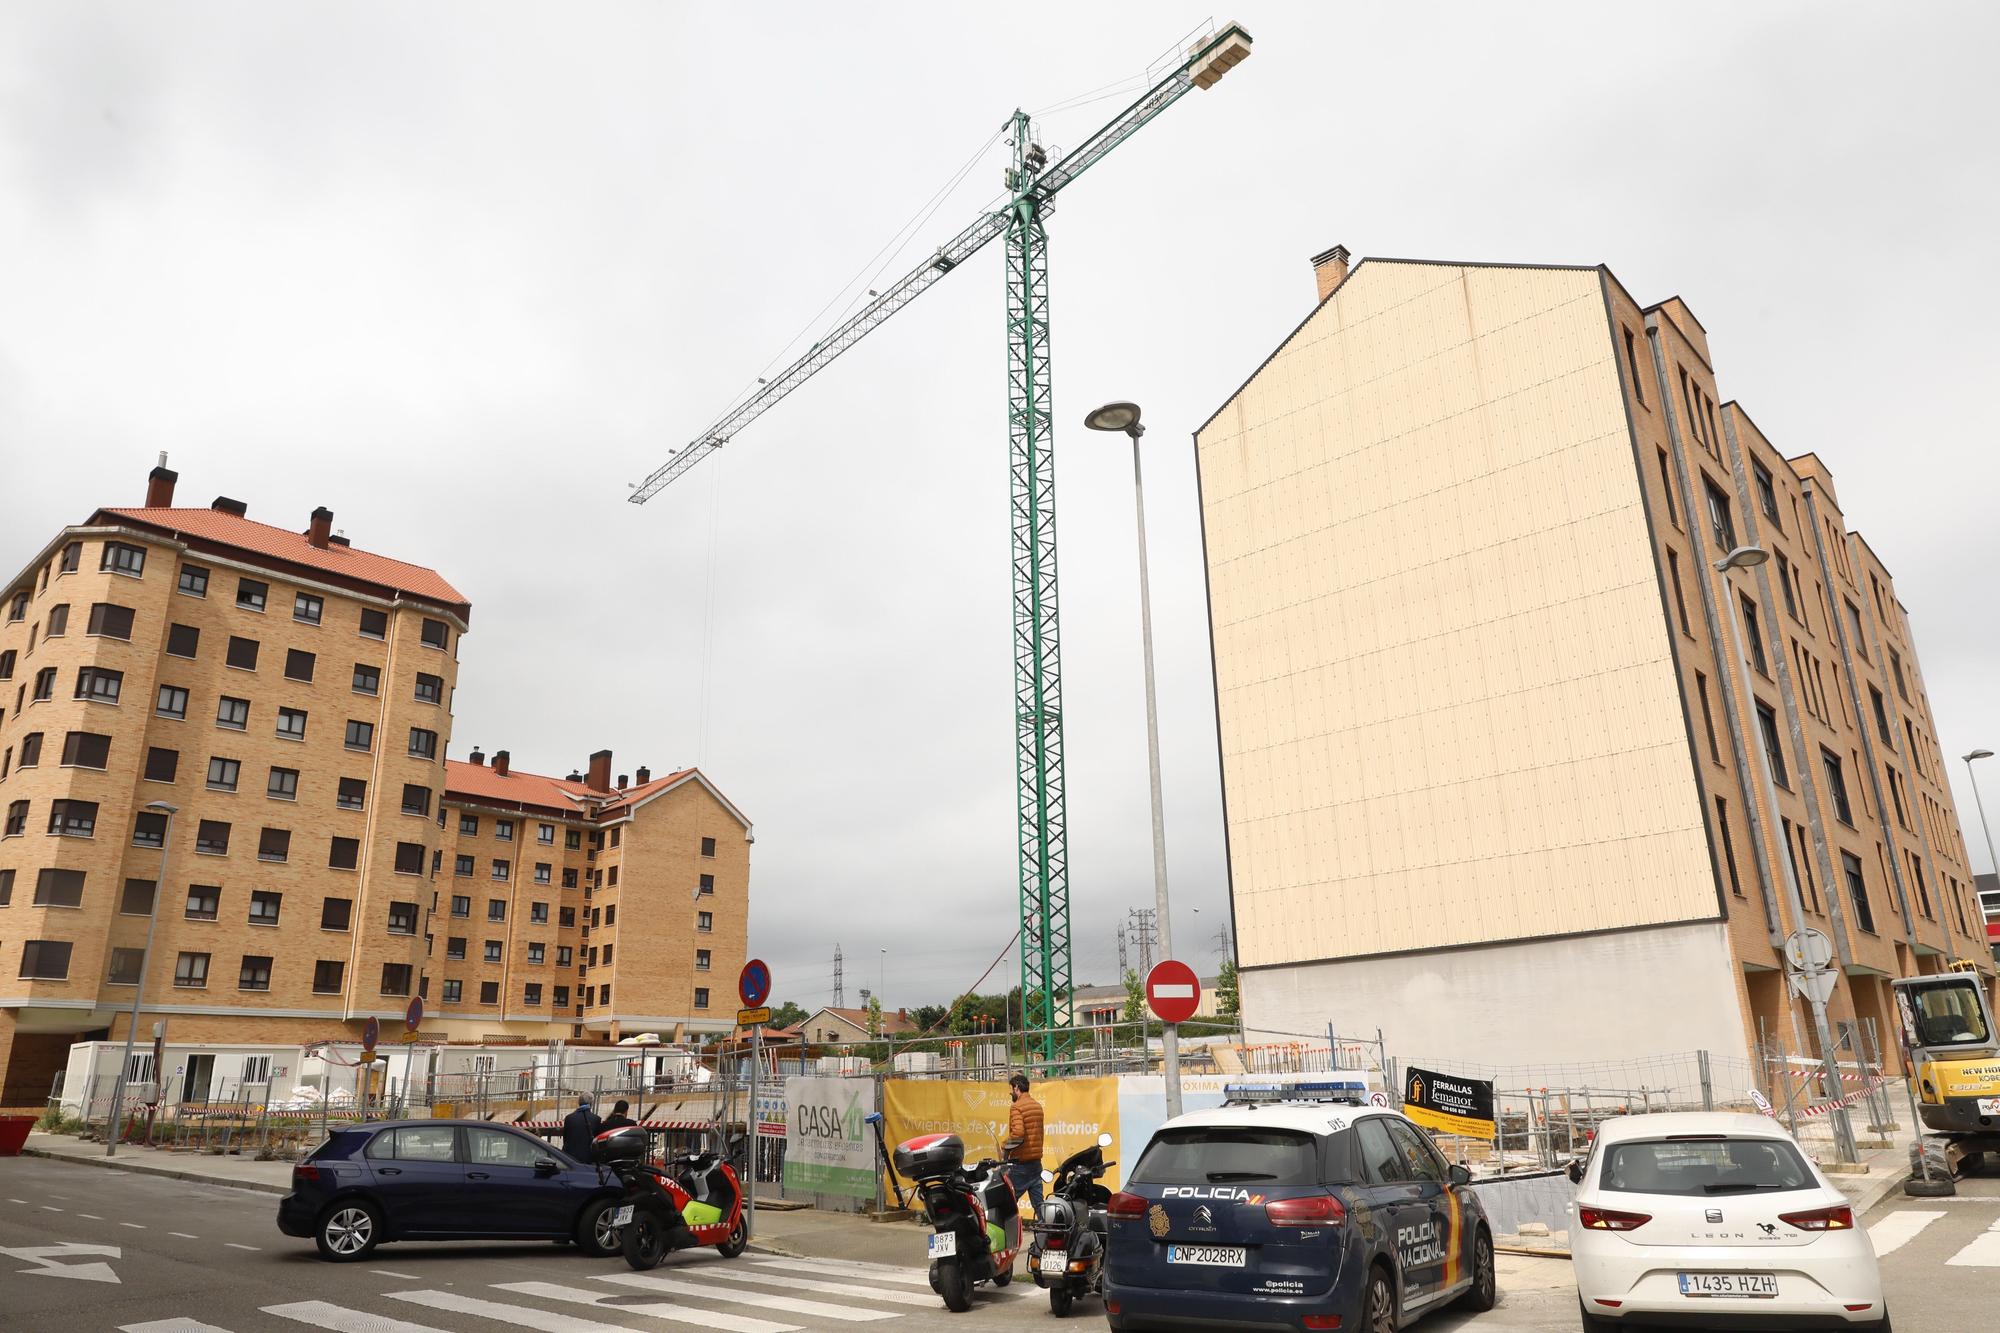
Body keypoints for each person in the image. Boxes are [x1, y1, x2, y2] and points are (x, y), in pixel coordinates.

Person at [1002, 1072, 1045, 1214]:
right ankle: (1047, 1232)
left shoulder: (1017, 1107)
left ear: (1016, 1088)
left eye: (1011, 1090)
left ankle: (1007, 1234)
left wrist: (1004, 1147)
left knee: (1007, 1203)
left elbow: (1018, 1134)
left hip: (1021, 1166)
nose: (1011, 1093)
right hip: (1036, 1164)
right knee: (1040, 1206)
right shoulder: (1037, 1106)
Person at [561, 1095, 600, 1159]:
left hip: (570, 1157)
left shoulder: (569, 1118)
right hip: (588, 1158)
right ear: (591, 1104)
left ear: (579, 1103)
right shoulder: (596, 1119)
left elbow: (565, 1139)